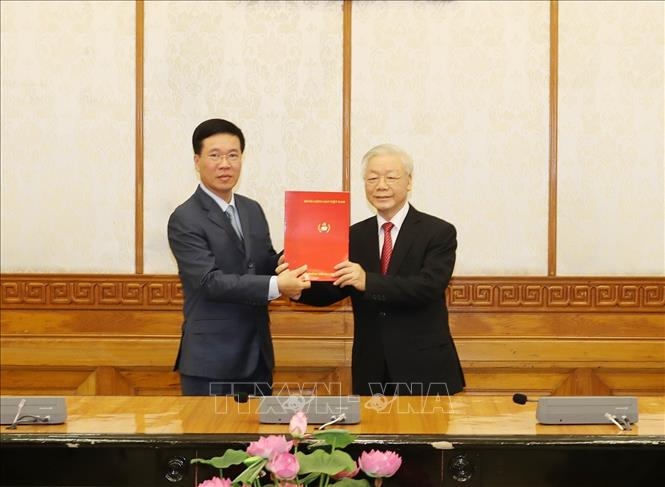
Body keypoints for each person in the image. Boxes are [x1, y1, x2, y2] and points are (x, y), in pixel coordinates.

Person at [279, 144, 465, 396]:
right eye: (372, 178)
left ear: (409, 182)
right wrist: (297, 287)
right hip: (372, 367)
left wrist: (368, 281)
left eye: (391, 177)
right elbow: (333, 290)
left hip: (424, 367)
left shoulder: (438, 232)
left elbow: (428, 287)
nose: (381, 185)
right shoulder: (353, 235)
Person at [168, 118, 310, 396]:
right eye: (215, 155)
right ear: (197, 161)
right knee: (209, 426)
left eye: (233, 155)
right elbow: (209, 282)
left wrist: (297, 256)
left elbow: (264, 263)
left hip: (257, 356)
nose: (225, 164)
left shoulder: (251, 209)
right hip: (211, 362)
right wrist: (278, 285)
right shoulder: (185, 218)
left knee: (259, 427)